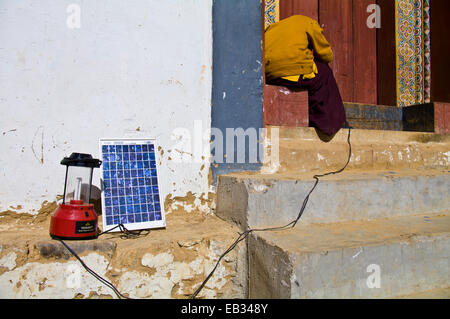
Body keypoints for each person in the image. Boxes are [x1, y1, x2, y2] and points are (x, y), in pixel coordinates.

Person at [265, 15, 346, 138]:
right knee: (324, 72)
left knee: (312, 73)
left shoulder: (273, 27)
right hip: (295, 73)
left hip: (271, 75)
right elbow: (326, 55)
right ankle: (328, 124)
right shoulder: (309, 23)